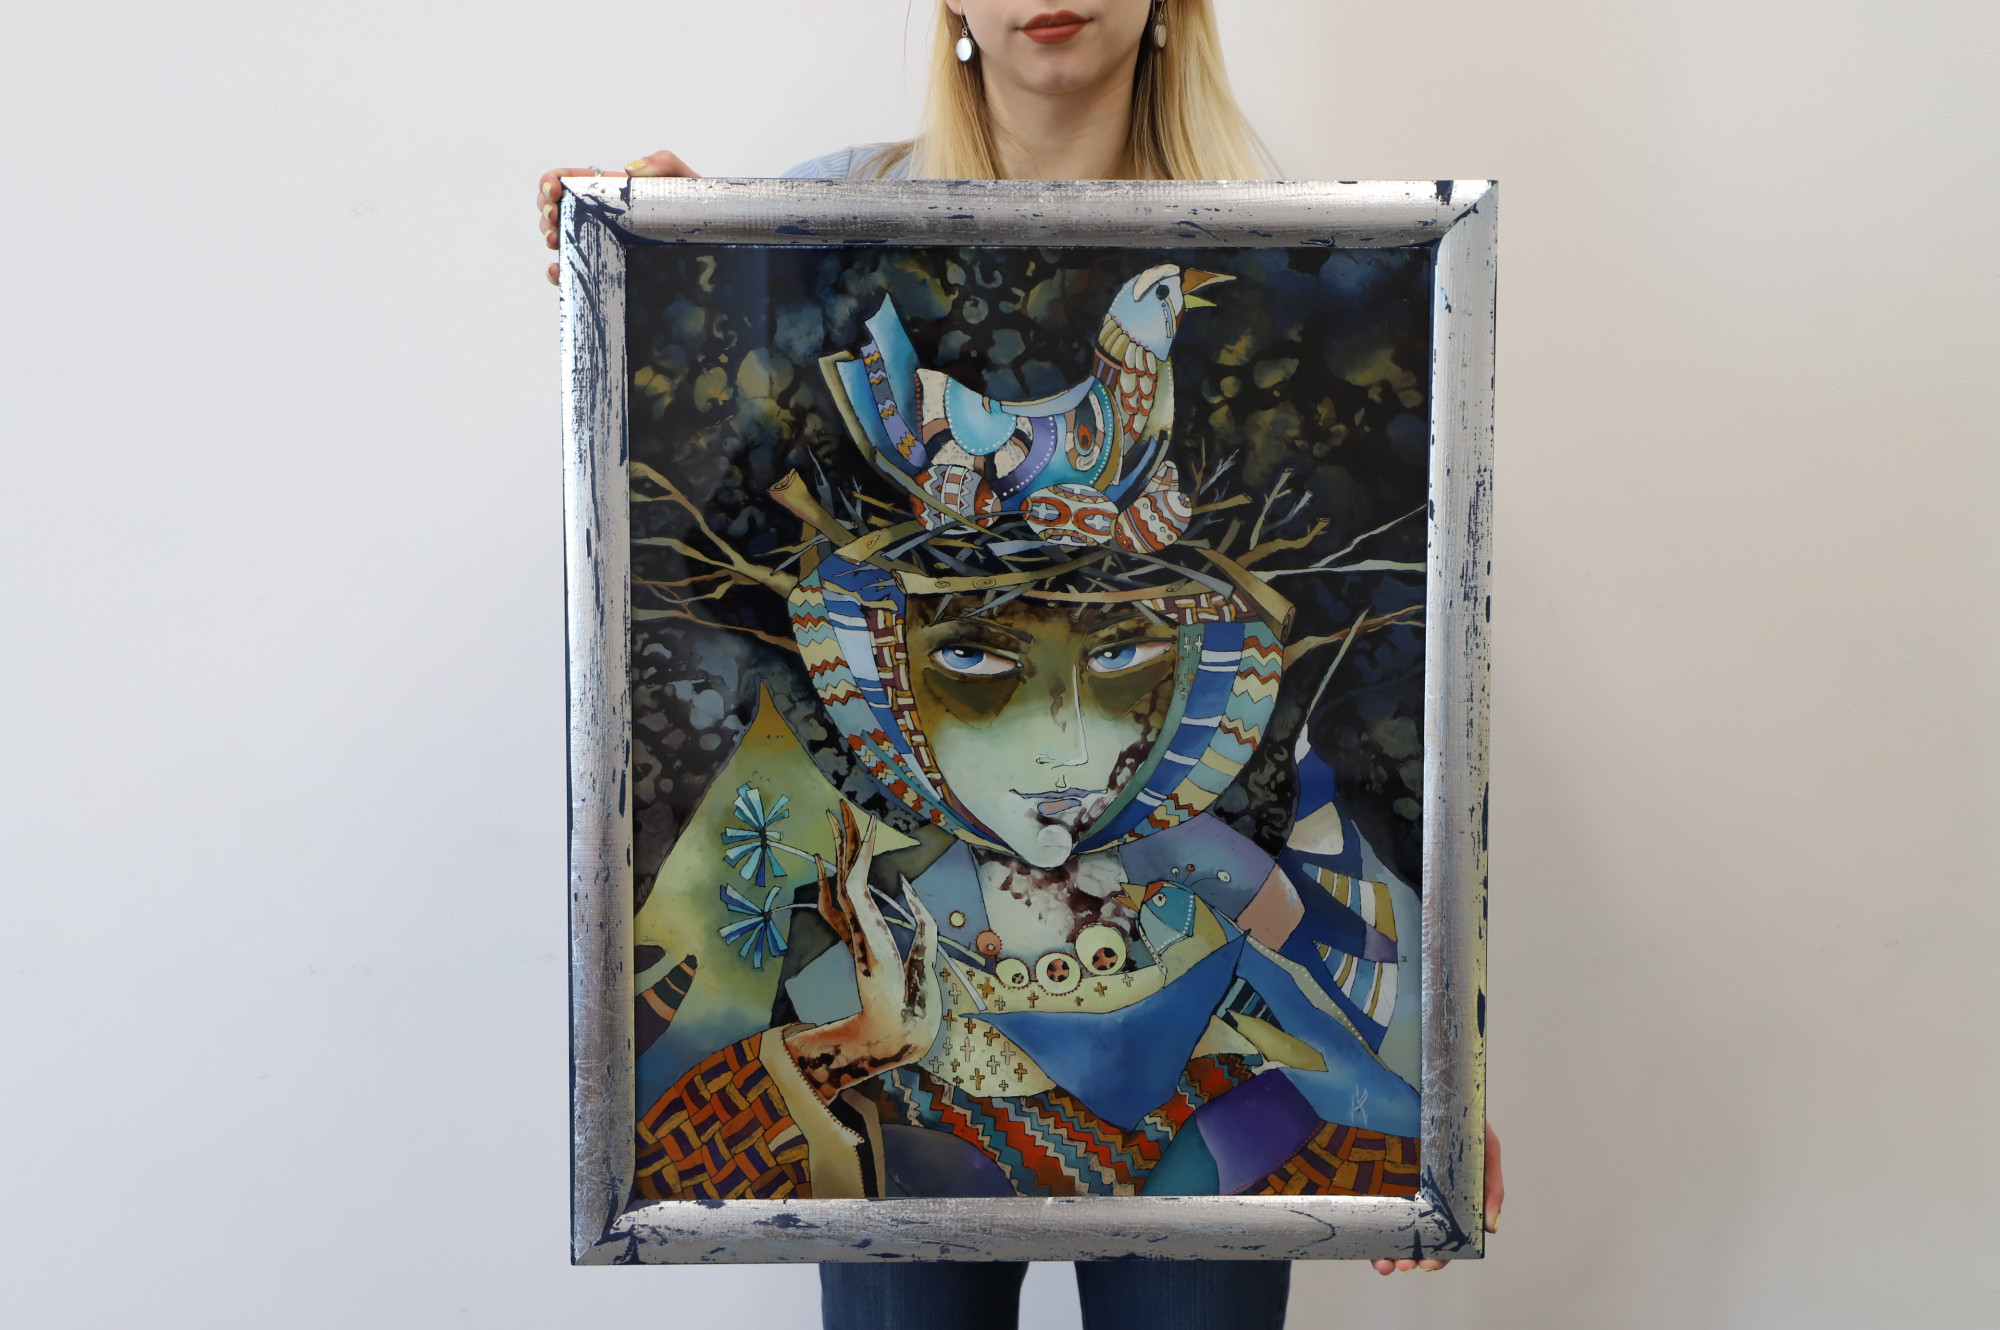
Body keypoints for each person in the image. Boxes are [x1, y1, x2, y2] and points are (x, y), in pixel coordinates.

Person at [537, 4, 1503, 1325]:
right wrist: (666, 268)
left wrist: (1429, 1095)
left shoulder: (1302, 260)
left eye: (1122, 653)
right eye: (982, 661)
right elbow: (707, 568)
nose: (1064, 732)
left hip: (1203, 1114)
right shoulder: (819, 229)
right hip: (913, 1122)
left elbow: (1371, 747)